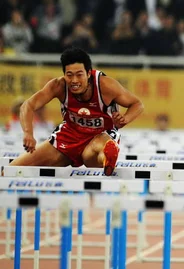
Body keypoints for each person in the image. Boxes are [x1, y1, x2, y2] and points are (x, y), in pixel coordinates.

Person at [9, 47, 144, 176]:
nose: (74, 81)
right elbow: (27, 106)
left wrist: (125, 119)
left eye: (79, 75)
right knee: (12, 170)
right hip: (69, 135)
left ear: (89, 73)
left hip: (100, 135)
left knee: (91, 153)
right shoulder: (58, 86)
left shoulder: (106, 86)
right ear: (64, 75)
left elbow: (137, 104)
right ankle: (104, 158)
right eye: (69, 75)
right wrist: (28, 133)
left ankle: (107, 160)